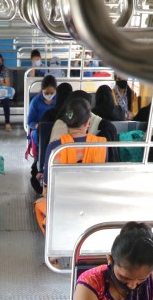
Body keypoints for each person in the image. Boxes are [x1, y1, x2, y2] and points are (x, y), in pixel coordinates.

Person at [34, 100, 108, 235]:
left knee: (39, 204)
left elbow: (46, 183)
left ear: (67, 122)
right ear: (88, 123)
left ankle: (53, 247)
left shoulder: (55, 147)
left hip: (64, 206)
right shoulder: (101, 145)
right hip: (94, 205)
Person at [26, 75, 57, 158]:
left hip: (56, 127)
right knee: (37, 136)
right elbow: (30, 122)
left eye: (52, 93)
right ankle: (41, 158)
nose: (49, 95)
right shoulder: (36, 101)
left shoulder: (59, 100)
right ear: (42, 90)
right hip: (40, 129)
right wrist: (38, 126)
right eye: (46, 93)